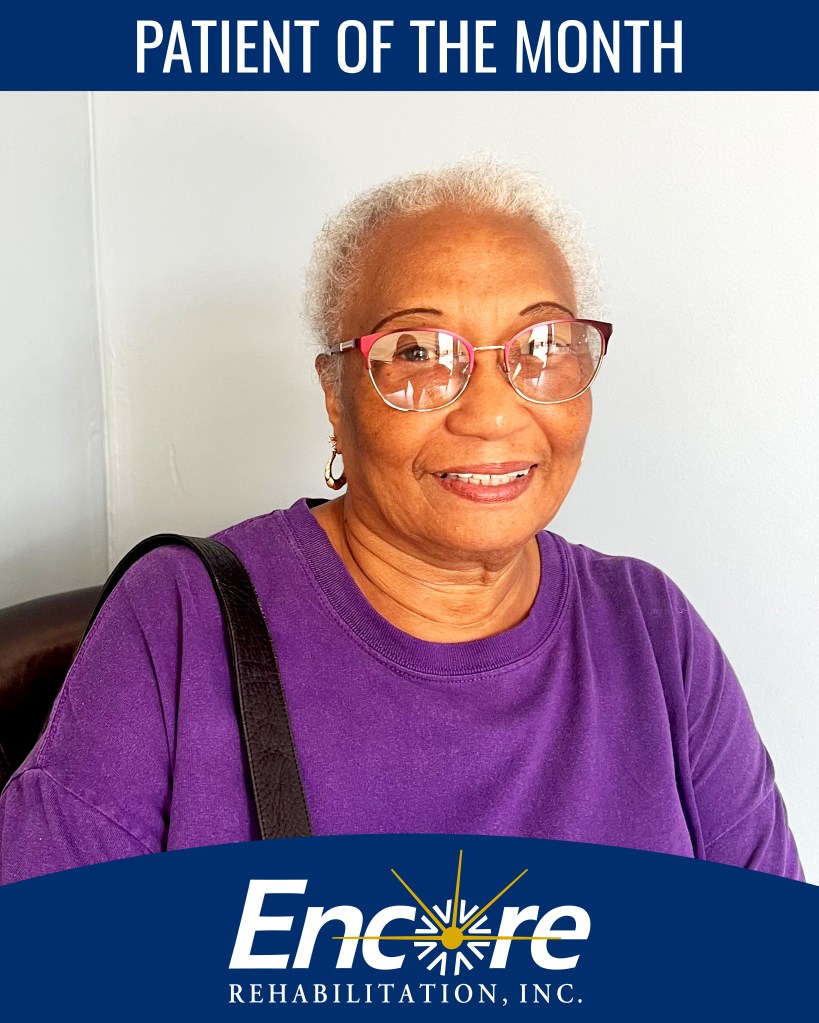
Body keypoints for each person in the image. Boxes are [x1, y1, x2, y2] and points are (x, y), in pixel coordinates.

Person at [0, 160, 804, 884]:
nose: (492, 414)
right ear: (335, 394)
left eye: (541, 345)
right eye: (418, 353)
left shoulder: (652, 630)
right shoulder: (178, 618)